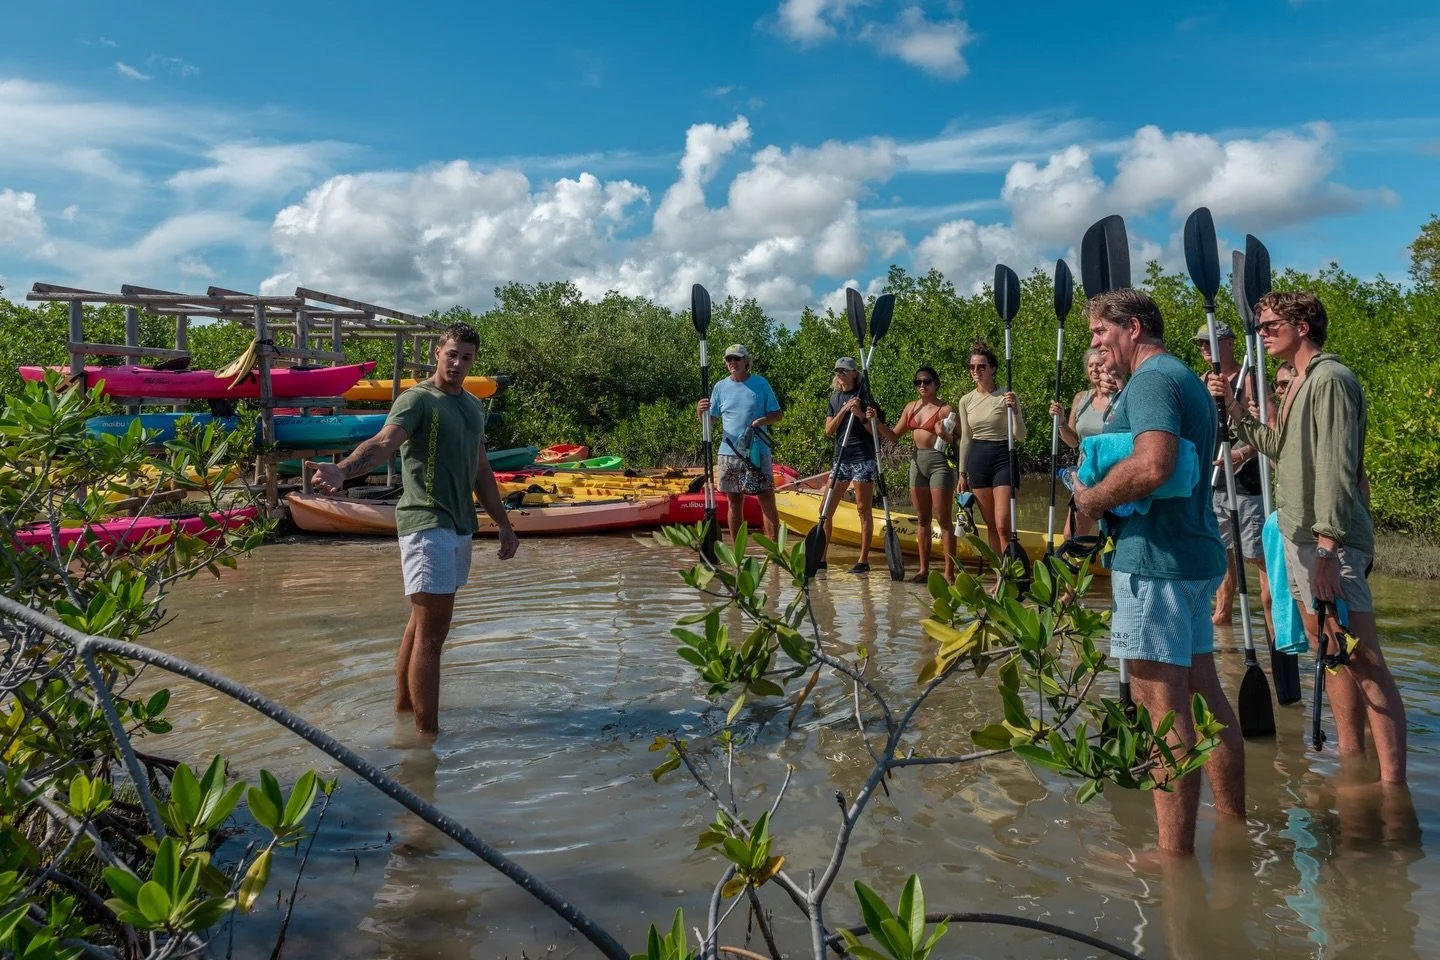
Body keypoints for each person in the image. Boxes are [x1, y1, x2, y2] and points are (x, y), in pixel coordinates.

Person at [1070, 289, 1243, 855]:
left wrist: (1092, 500)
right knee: (1204, 697)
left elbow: (1153, 464)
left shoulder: (1149, 380)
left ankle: (1173, 861)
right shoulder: (1182, 377)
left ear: (1134, 328)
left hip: (1157, 566)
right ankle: (1233, 828)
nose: (1094, 344)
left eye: (1100, 332)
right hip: (1193, 559)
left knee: (1163, 712)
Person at [1209, 291, 1406, 785]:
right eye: (1260, 325)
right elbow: (1279, 448)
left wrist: (1326, 550)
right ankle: (1352, 762)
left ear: (1302, 325)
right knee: (1330, 652)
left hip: (1327, 544)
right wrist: (1235, 410)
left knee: (1363, 658)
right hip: (1299, 537)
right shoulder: (1297, 383)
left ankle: (1393, 787)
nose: (1262, 333)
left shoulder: (1331, 380)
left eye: (1271, 324)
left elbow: (1339, 473)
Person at [308, 323, 519, 737]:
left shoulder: (474, 407)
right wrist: (344, 470)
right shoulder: (417, 400)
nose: (457, 363)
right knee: (433, 637)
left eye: (467, 357)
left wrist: (504, 525)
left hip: (459, 525)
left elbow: (481, 471)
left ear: (474, 361)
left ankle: (404, 714)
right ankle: (428, 740)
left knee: (420, 625)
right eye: (452, 354)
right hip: (426, 523)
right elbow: (384, 442)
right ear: (438, 353)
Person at [1192, 322, 1272, 631]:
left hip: (1247, 484)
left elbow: (1267, 429)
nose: (1204, 348)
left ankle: (1273, 618)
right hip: (1213, 481)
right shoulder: (1202, 381)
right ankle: (1223, 614)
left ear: (1228, 343)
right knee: (1221, 551)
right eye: (1201, 343)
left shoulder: (1250, 379)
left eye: (1209, 342)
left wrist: (1239, 454)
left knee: (1256, 555)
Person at [877, 365, 957, 582]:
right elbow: (893, 436)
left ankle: (949, 572)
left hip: (939, 463)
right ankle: (923, 570)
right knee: (922, 519)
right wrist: (875, 422)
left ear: (936, 384)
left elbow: (958, 441)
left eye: (927, 381)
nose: (922, 385)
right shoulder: (911, 407)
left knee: (943, 519)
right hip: (917, 463)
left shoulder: (945, 409)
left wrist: (945, 434)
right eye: (918, 382)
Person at [696, 343, 783, 540]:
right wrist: (700, 411)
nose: (732, 362)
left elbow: (777, 414)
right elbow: (710, 422)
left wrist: (762, 420)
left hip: (757, 451)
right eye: (729, 359)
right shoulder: (720, 387)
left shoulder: (761, 384)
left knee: (766, 499)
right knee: (734, 502)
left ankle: (776, 553)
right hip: (729, 452)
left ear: (746, 362)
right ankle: (737, 553)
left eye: (737, 359)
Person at [956, 341, 1024, 560]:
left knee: (1004, 523)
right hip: (978, 459)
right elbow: (966, 438)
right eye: (972, 367)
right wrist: (962, 473)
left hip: (1003, 456)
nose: (976, 371)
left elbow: (1021, 435)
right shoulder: (965, 400)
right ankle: (1000, 576)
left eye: (981, 366)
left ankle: (1013, 570)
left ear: (992, 368)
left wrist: (1013, 411)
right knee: (991, 525)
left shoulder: (1007, 395)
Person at [1050, 347, 1123, 538]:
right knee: (1071, 535)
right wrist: (1062, 422)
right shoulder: (1080, 398)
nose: (1095, 369)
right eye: (1090, 365)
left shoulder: (1120, 396)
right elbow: (1073, 442)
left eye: (1099, 364)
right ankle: (1080, 566)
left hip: (1113, 475)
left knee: (1111, 535)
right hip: (1085, 475)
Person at [819, 357, 881, 574]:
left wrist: (861, 414)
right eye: (838, 371)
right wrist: (845, 410)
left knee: (863, 509)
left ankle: (863, 560)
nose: (841, 374)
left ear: (855, 373)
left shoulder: (867, 398)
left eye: (845, 371)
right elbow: (829, 431)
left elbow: (875, 433)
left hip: (862, 458)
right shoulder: (835, 399)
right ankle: (822, 558)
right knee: (825, 509)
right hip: (841, 459)